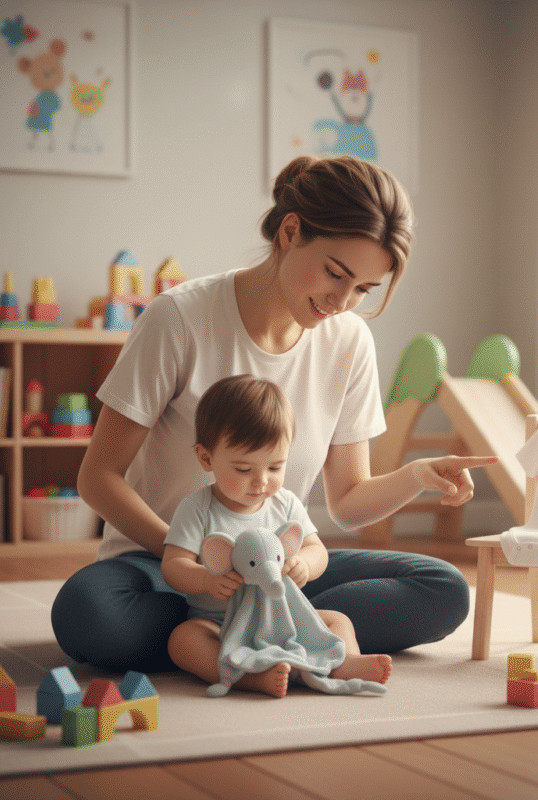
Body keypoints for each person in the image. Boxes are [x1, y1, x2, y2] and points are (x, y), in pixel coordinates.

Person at [51, 154, 498, 673]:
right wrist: (191, 559)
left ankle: (230, 640)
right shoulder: (178, 320)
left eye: (363, 290)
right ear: (291, 231)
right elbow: (97, 478)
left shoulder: (349, 343)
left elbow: (348, 501)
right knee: (89, 615)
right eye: (336, 273)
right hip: (164, 568)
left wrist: (416, 476)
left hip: (278, 573)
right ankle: (285, 638)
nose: (341, 301)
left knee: (443, 589)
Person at [162, 374, 392, 698]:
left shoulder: (285, 502)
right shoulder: (198, 507)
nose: (261, 482)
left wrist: (305, 565)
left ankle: (344, 662)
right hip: (220, 622)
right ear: (206, 458)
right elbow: (173, 565)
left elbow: (316, 548)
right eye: (244, 469)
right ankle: (246, 678)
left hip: (284, 618)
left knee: (337, 620)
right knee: (184, 640)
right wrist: (205, 580)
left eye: (275, 467)